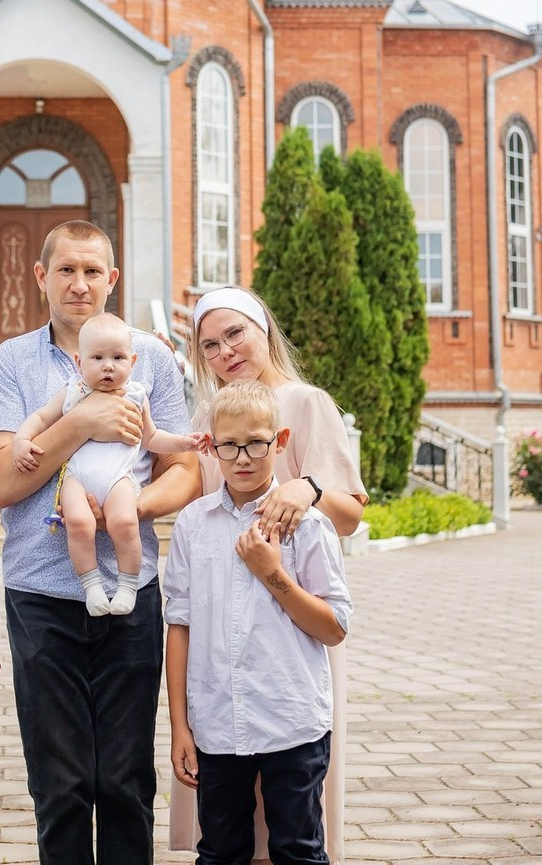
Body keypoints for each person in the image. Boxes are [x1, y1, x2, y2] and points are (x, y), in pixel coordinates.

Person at [0, 220, 199, 865]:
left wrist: (122, 511)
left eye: (92, 272)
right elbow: (0, 481)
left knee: (126, 777)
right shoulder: (13, 362)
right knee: (61, 780)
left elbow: (182, 470)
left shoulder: (151, 358)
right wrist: (79, 422)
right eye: (66, 270)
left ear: (112, 279)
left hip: (133, 593)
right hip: (40, 593)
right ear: (40, 275)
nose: (80, 285)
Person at [168, 284, 368, 865]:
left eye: (235, 333)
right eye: (210, 345)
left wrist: (308, 488)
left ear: (264, 331)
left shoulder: (306, 402)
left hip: (289, 626)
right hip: (222, 629)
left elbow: (351, 513)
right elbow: (205, 497)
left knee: (291, 808)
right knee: (227, 823)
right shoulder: (208, 415)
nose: (226, 350)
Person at [12, 311, 200, 617]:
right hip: (77, 477)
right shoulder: (73, 391)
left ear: (133, 362)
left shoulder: (137, 395)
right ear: (79, 362)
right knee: (78, 522)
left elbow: (151, 438)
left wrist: (183, 443)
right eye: (97, 358)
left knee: (125, 521)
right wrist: (22, 440)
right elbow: (41, 418)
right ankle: (92, 584)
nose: (108, 366)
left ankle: (127, 584)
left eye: (118, 357)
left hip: (119, 477)